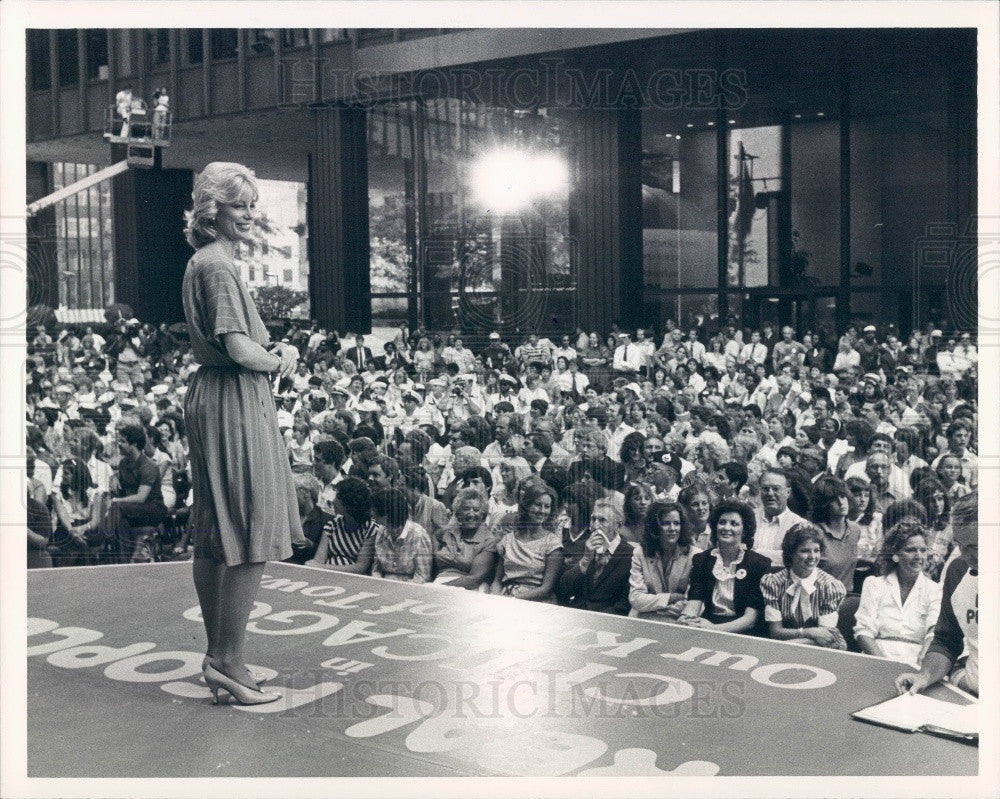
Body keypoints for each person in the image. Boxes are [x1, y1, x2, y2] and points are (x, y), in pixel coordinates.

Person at [181, 162, 302, 706]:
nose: (250, 215)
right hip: (234, 396)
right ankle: (229, 660)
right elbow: (240, 350)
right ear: (213, 210)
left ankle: (218, 656)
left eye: (253, 205)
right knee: (252, 527)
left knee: (215, 530)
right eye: (240, 205)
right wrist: (282, 357)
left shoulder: (205, 262)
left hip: (216, 395)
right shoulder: (218, 267)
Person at [895, 493, 979, 696]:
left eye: (976, 547)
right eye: (960, 545)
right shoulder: (958, 571)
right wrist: (925, 676)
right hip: (971, 697)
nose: (967, 556)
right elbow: (947, 640)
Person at [854, 521, 942, 668]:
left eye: (923, 550)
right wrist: (885, 665)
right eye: (911, 550)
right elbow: (864, 632)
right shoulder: (874, 584)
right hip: (876, 658)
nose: (918, 556)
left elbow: (933, 632)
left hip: (918, 660)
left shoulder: (935, 589)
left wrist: (923, 661)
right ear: (895, 554)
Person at [679, 499, 770, 635]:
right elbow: (694, 602)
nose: (726, 528)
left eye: (734, 524)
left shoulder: (758, 564)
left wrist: (715, 629)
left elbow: (750, 620)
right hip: (708, 625)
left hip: (744, 632)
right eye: (722, 522)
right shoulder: (702, 560)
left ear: (744, 531)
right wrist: (686, 619)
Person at [760, 523, 848, 648]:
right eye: (805, 551)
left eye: (816, 550)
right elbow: (775, 632)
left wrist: (782, 647)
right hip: (781, 647)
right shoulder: (774, 583)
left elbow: (825, 638)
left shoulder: (830, 587)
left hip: (821, 650)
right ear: (791, 553)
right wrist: (808, 632)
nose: (812, 557)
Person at [556, 498, 634, 615]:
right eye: (593, 519)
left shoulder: (630, 555)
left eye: (602, 520)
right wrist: (585, 560)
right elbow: (563, 590)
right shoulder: (585, 546)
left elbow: (624, 604)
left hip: (607, 621)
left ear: (618, 526)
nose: (595, 525)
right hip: (575, 615)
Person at [628, 500, 702, 621]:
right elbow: (635, 599)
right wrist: (671, 597)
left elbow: (694, 604)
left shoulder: (695, 555)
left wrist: (654, 605)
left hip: (679, 620)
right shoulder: (640, 553)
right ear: (655, 527)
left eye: (677, 523)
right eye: (666, 523)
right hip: (643, 619)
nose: (672, 528)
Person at [490, 483, 563, 602]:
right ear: (527, 506)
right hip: (505, 596)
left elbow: (546, 589)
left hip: (535, 601)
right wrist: (496, 598)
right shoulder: (508, 540)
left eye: (547, 506)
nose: (542, 511)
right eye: (538, 505)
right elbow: (497, 581)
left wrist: (512, 600)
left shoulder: (552, 544)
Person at [433, 487, 497, 589]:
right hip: (439, 582)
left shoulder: (488, 540)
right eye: (466, 509)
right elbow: (434, 539)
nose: (471, 514)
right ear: (458, 513)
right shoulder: (448, 531)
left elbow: (474, 579)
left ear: (483, 514)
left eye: (476, 510)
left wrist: (438, 588)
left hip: (468, 589)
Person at [809, 475, 862, 591]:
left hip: (848, 597)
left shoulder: (855, 529)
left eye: (843, 496)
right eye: (833, 499)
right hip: (821, 597)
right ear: (823, 505)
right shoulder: (814, 533)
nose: (841, 502)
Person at [369, 488, 434, 583]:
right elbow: (376, 569)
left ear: (387, 515)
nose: (371, 513)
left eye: (374, 510)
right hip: (383, 585)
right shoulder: (381, 531)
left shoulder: (419, 536)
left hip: (410, 587)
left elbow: (422, 577)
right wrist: (378, 583)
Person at [753, 468, 807, 568]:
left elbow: (797, 560)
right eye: (765, 489)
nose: (770, 493)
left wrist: (753, 554)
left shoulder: (800, 525)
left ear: (788, 492)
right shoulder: (747, 518)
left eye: (776, 489)